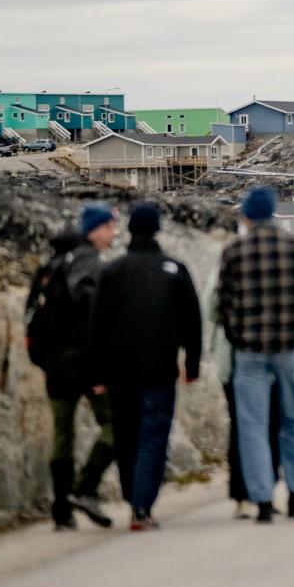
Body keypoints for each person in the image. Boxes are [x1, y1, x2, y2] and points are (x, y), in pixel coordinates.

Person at [216, 186, 294, 523]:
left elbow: (223, 302)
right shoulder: (293, 246)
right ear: (273, 214)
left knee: (252, 424)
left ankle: (262, 500)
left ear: (247, 216)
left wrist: (236, 334)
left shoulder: (234, 251)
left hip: (250, 350)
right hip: (286, 346)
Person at [92, 203, 201, 531]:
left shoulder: (112, 271)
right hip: (159, 369)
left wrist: (96, 373)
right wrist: (191, 364)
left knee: (126, 436)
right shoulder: (173, 269)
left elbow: (96, 326)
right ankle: (142, 506)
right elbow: (192, 322)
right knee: (153, 436)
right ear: (157, 230)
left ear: (129, 230)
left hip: (119, 372)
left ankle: (132, 498)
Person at [25, 204, 122, 530]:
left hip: (54, 363)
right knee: (117, 423)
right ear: (94, 229)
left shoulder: (55, 260)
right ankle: (85, 487)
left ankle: (61, 511)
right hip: (82, 361)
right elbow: (88, 309)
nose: (113, 233)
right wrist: (98, 367)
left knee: (62, 434)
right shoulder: (86, 259)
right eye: (109, 227)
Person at [202, 272, 284, 520]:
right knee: (267, 427)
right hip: (265, 360)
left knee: (244, 428)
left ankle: (247, 496)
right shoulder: (275, 267)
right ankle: (261, 491)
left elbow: (211, 310)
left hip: (236, 359)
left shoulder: (224, 269)